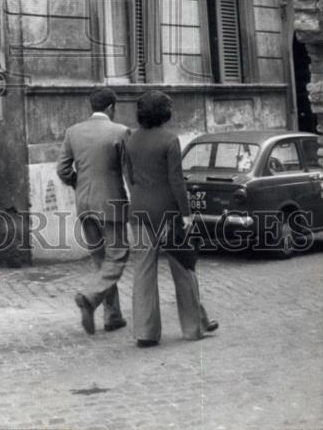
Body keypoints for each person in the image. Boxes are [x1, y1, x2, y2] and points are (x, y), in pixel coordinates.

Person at [124, 90, 218, 347]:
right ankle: (193, 327)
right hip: (167, 211)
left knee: (143, 271)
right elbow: (176, 181)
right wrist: (185, 213)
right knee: (183, 267)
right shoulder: (170, 140)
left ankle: (145, 333)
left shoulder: (130, 141)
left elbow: (130, 177)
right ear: (164, 113)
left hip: (139, 210)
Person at [56, 88, 130, 335]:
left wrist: (79, 182)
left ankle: (113, 316)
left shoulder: (73, 132)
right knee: (118, 256)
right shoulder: (120, 132)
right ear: (111, 107)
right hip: (111, 203)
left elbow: (63, 169)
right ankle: (89, 298)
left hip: (84, 204)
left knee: (101, 261)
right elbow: (128, 171)